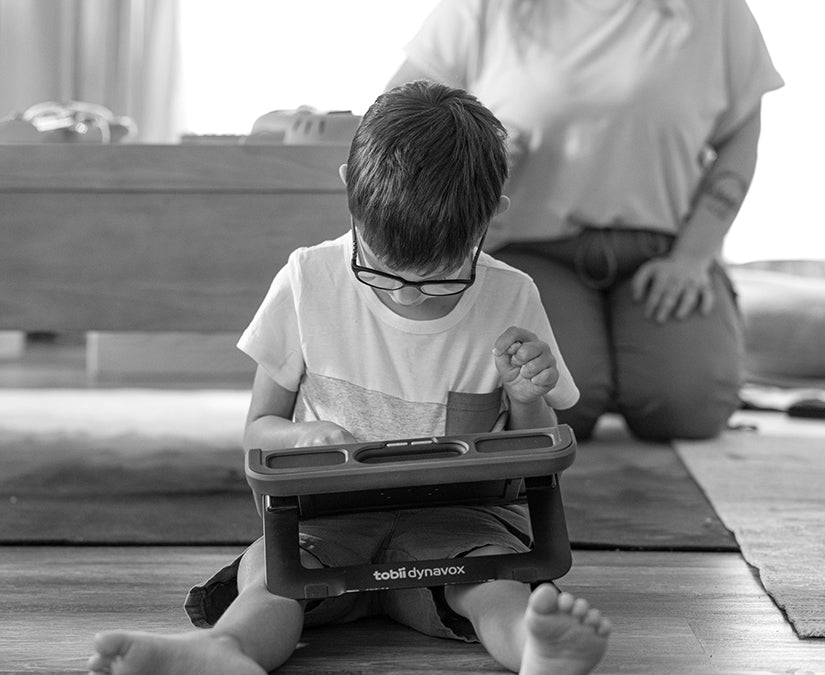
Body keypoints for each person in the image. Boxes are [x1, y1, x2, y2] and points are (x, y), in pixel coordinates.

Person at [87, 81, 610, 675]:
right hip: (325, 527)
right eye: (382, 273)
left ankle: (534, 650)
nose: (405, 295)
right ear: (348, 191)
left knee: (493, 580)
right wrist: (302, 440)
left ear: (492, 216)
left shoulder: (513, 295)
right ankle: (222, 652)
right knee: (269, 578)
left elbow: (532, 453)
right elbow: (258, 431)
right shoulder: (308, 279)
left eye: (438, 279)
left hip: (460, 528)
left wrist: (526, 399)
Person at [387, 0, 784, 441]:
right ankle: (608, 367)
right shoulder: (481, 9)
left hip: (666, 251)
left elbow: (741, 133)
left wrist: (693, 258)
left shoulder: (718, 11)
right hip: (529, 251)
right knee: (562, 405)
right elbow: (395, 122)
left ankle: (625, 359)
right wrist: (476, 153)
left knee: (686, 409)